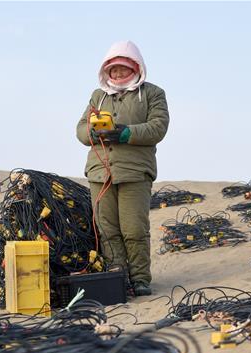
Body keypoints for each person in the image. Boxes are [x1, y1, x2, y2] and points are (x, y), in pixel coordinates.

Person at [76, 40, 170, 297]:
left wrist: (127, 133)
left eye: (123, 69)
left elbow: (158, 127)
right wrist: (93, 132)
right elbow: (81, 129)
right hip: (99, 172)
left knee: (134, 229)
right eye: (113, 70)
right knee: (106, 229)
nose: (117, 74)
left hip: (134, 173)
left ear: (136, 68)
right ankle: (118, 277)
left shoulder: (152, 94)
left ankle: (140, 279)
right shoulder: (99, 96)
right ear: (106, 71)